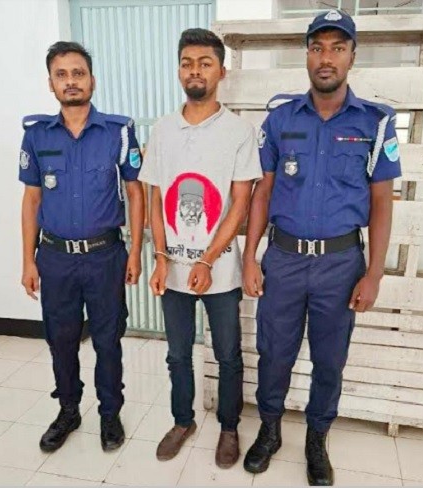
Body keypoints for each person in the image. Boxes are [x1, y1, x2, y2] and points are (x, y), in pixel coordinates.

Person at [240, 10, 402, 486]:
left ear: (353, 56)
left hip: (341, 264)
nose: (326, 57)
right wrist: (249, 257)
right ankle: (270, 430)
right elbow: (262, 193)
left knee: (330, 359)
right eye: (317, 48)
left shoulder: (375, 122)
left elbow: (382, 202)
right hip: (284, 260)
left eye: (337, 47)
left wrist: (374, 273)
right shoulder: (280, 119)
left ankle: (316, 439)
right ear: (306, 56)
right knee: (275, 353)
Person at [138, 28, 262, 468]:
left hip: (220, 269)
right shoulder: (162, 130)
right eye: (187, 63)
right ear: (178, 70)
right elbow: (155, 197)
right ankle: (182, 421)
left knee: (228, 354)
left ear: (221, 71)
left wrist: (208, 259)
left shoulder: (239, 132)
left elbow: (240, 203)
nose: (195, 71)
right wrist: (159, 257)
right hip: (172, 267)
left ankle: (229, 427)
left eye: (205, 63)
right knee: (177, 354)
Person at [18, 41, 145, 454]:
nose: (71, 81)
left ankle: (110, 413)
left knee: (108, 340)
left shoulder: (118, 132)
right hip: (54, 258)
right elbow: (31, 200)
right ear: (51, 83)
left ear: (92, 80)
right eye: (62, 74)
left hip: (104, 256)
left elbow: (136, 192)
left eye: (78, 73)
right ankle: (68, 410)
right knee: (61, 340)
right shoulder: (37, 135)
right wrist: (28, 261)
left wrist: (135, 252)